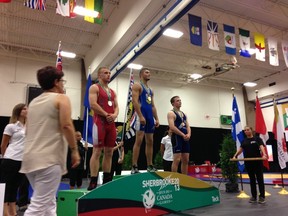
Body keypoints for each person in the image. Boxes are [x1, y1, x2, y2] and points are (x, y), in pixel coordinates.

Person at [20, 66, 80, 216]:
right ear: (56, 82)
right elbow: (66, 125)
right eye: (62, 81)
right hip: (49, 160)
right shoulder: (62, 98)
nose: (63, 84)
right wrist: (74, 150)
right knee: (38, 206)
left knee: (49, 204)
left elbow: (27, 131)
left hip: (29, 160)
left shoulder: (33, 103)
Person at [87, 66, 119, 190]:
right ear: (99, 75)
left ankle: (106, 180)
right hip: (99, 122)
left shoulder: (112, 92)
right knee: (97, 151)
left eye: (110, 73)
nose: (108, 75)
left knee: (109, 152)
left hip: (111, 124)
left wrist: (115, 115)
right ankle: (93, 180)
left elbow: (116, 106)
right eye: (106, 73)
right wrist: (106, 114)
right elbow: (93, 104)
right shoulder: (94, 88)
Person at [0, 103, 27, 216]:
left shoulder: (28, 127)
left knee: (15, 185)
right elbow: (3, 145)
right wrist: (6, 157)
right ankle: (5, 211)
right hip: (10, 159)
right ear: (19, 111)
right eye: (24, 109)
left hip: (22, 160)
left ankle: (12, 210)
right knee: (7, 185)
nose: (27, 110)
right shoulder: (11, 126)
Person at [131, 68, 159, 174]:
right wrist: (140, 116)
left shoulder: (151, 90)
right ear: (141, 74)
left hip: (149, 116)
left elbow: (152, 105)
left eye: (149, 72)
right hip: (141, 115)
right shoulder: (137, 86)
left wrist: (156, 118)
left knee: (150, 141)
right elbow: (135, 101)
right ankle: (134, 165)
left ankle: (150, 165)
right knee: (139, 141)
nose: (149, 74)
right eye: (147, 72)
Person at [233, 126, 267, 204]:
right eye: (245, 130)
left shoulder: (257, 139)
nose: (246, 131)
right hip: (248, 163)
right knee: (252, 180)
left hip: (257, 163)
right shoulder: (244, 141)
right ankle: (254, 197)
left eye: (248, 130)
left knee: (260, 180)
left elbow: (261, 147)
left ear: (251, 130)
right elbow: (240, 150)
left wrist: (264, 154)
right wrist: (235, 156)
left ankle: (262, 197)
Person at [167, 96, 191, 175]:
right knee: (177, 159)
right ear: (173, 103)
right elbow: (172, 127)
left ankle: (184, 179)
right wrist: (182, 134)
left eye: (180, 100)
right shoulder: (171, 113)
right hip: (177, 137)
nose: (180, 102)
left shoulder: (184, 114)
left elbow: (188, 126)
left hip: (185, 138)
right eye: (177, 101)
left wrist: (188, 134)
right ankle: (174, 179)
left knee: (186, 160)